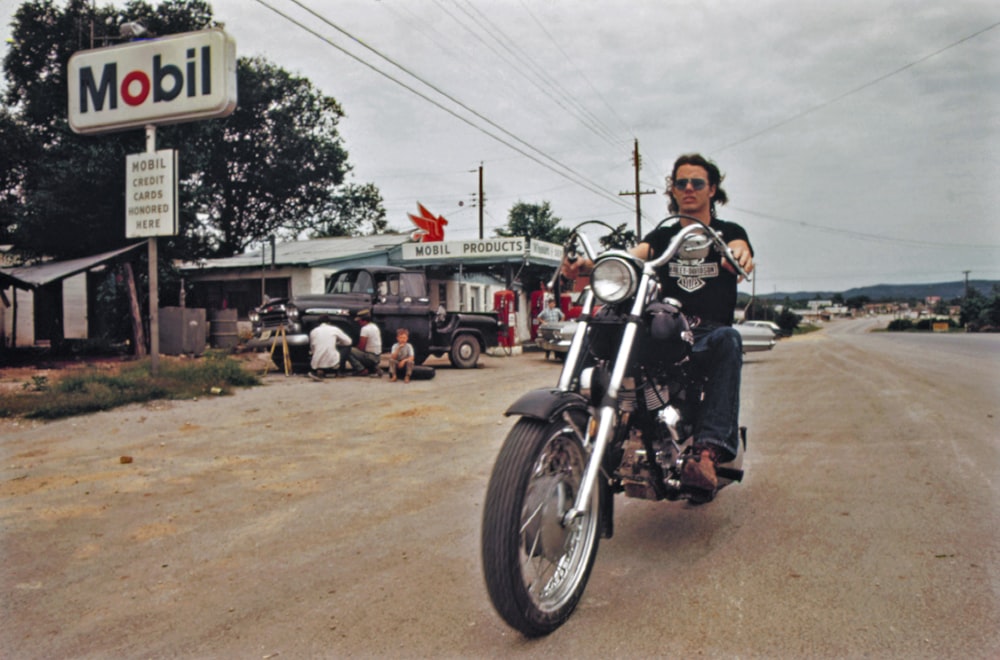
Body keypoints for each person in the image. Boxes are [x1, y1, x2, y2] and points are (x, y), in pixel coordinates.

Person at [562, 153, 754, 498]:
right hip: (666, 322)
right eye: (682, 183)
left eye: (697, 183)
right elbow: (631, 256)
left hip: (708, 331)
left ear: (712, 190)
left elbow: (741, 251)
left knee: (730, 339)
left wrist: (738, 255)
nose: (689, 189)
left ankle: (707, 453)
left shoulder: (728, 233)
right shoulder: (663, 235)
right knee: (602, 328)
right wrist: (588, 265)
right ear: (673, 190)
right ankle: (570, 420)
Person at [308, 315, 352, 382]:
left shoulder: (313, 331)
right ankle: (339, 371)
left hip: (316, 363)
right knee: (347, 347)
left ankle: (320, 371)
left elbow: (312, 347)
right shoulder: (334, 329)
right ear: (329, 322)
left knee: (317, 351)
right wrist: (338, 343)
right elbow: (349, 342)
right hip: (333, 364)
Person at [347, 309, 384, 377]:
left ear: (363, 320)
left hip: (370, 357)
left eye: (359, 321)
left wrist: (355, 349)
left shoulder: (365, 329)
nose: (358, 322)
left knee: (348, 350)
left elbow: (361, 347)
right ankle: (373, 368)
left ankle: (361, 369)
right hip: (377, 357)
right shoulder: (374, 326)